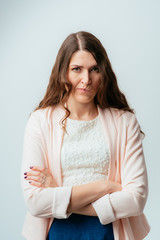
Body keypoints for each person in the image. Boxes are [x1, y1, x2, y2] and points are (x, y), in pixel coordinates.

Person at [21, 31, 150, 240]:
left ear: (103, 73)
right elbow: (35, 202)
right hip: (58, 232)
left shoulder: (124, 122)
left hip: (109, 231)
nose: (86, 79)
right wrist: (104, 187)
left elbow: (136, 199)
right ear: (63, 72)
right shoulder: (40, 121)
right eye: (77, 69)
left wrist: (60, 194)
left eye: (94, 69)